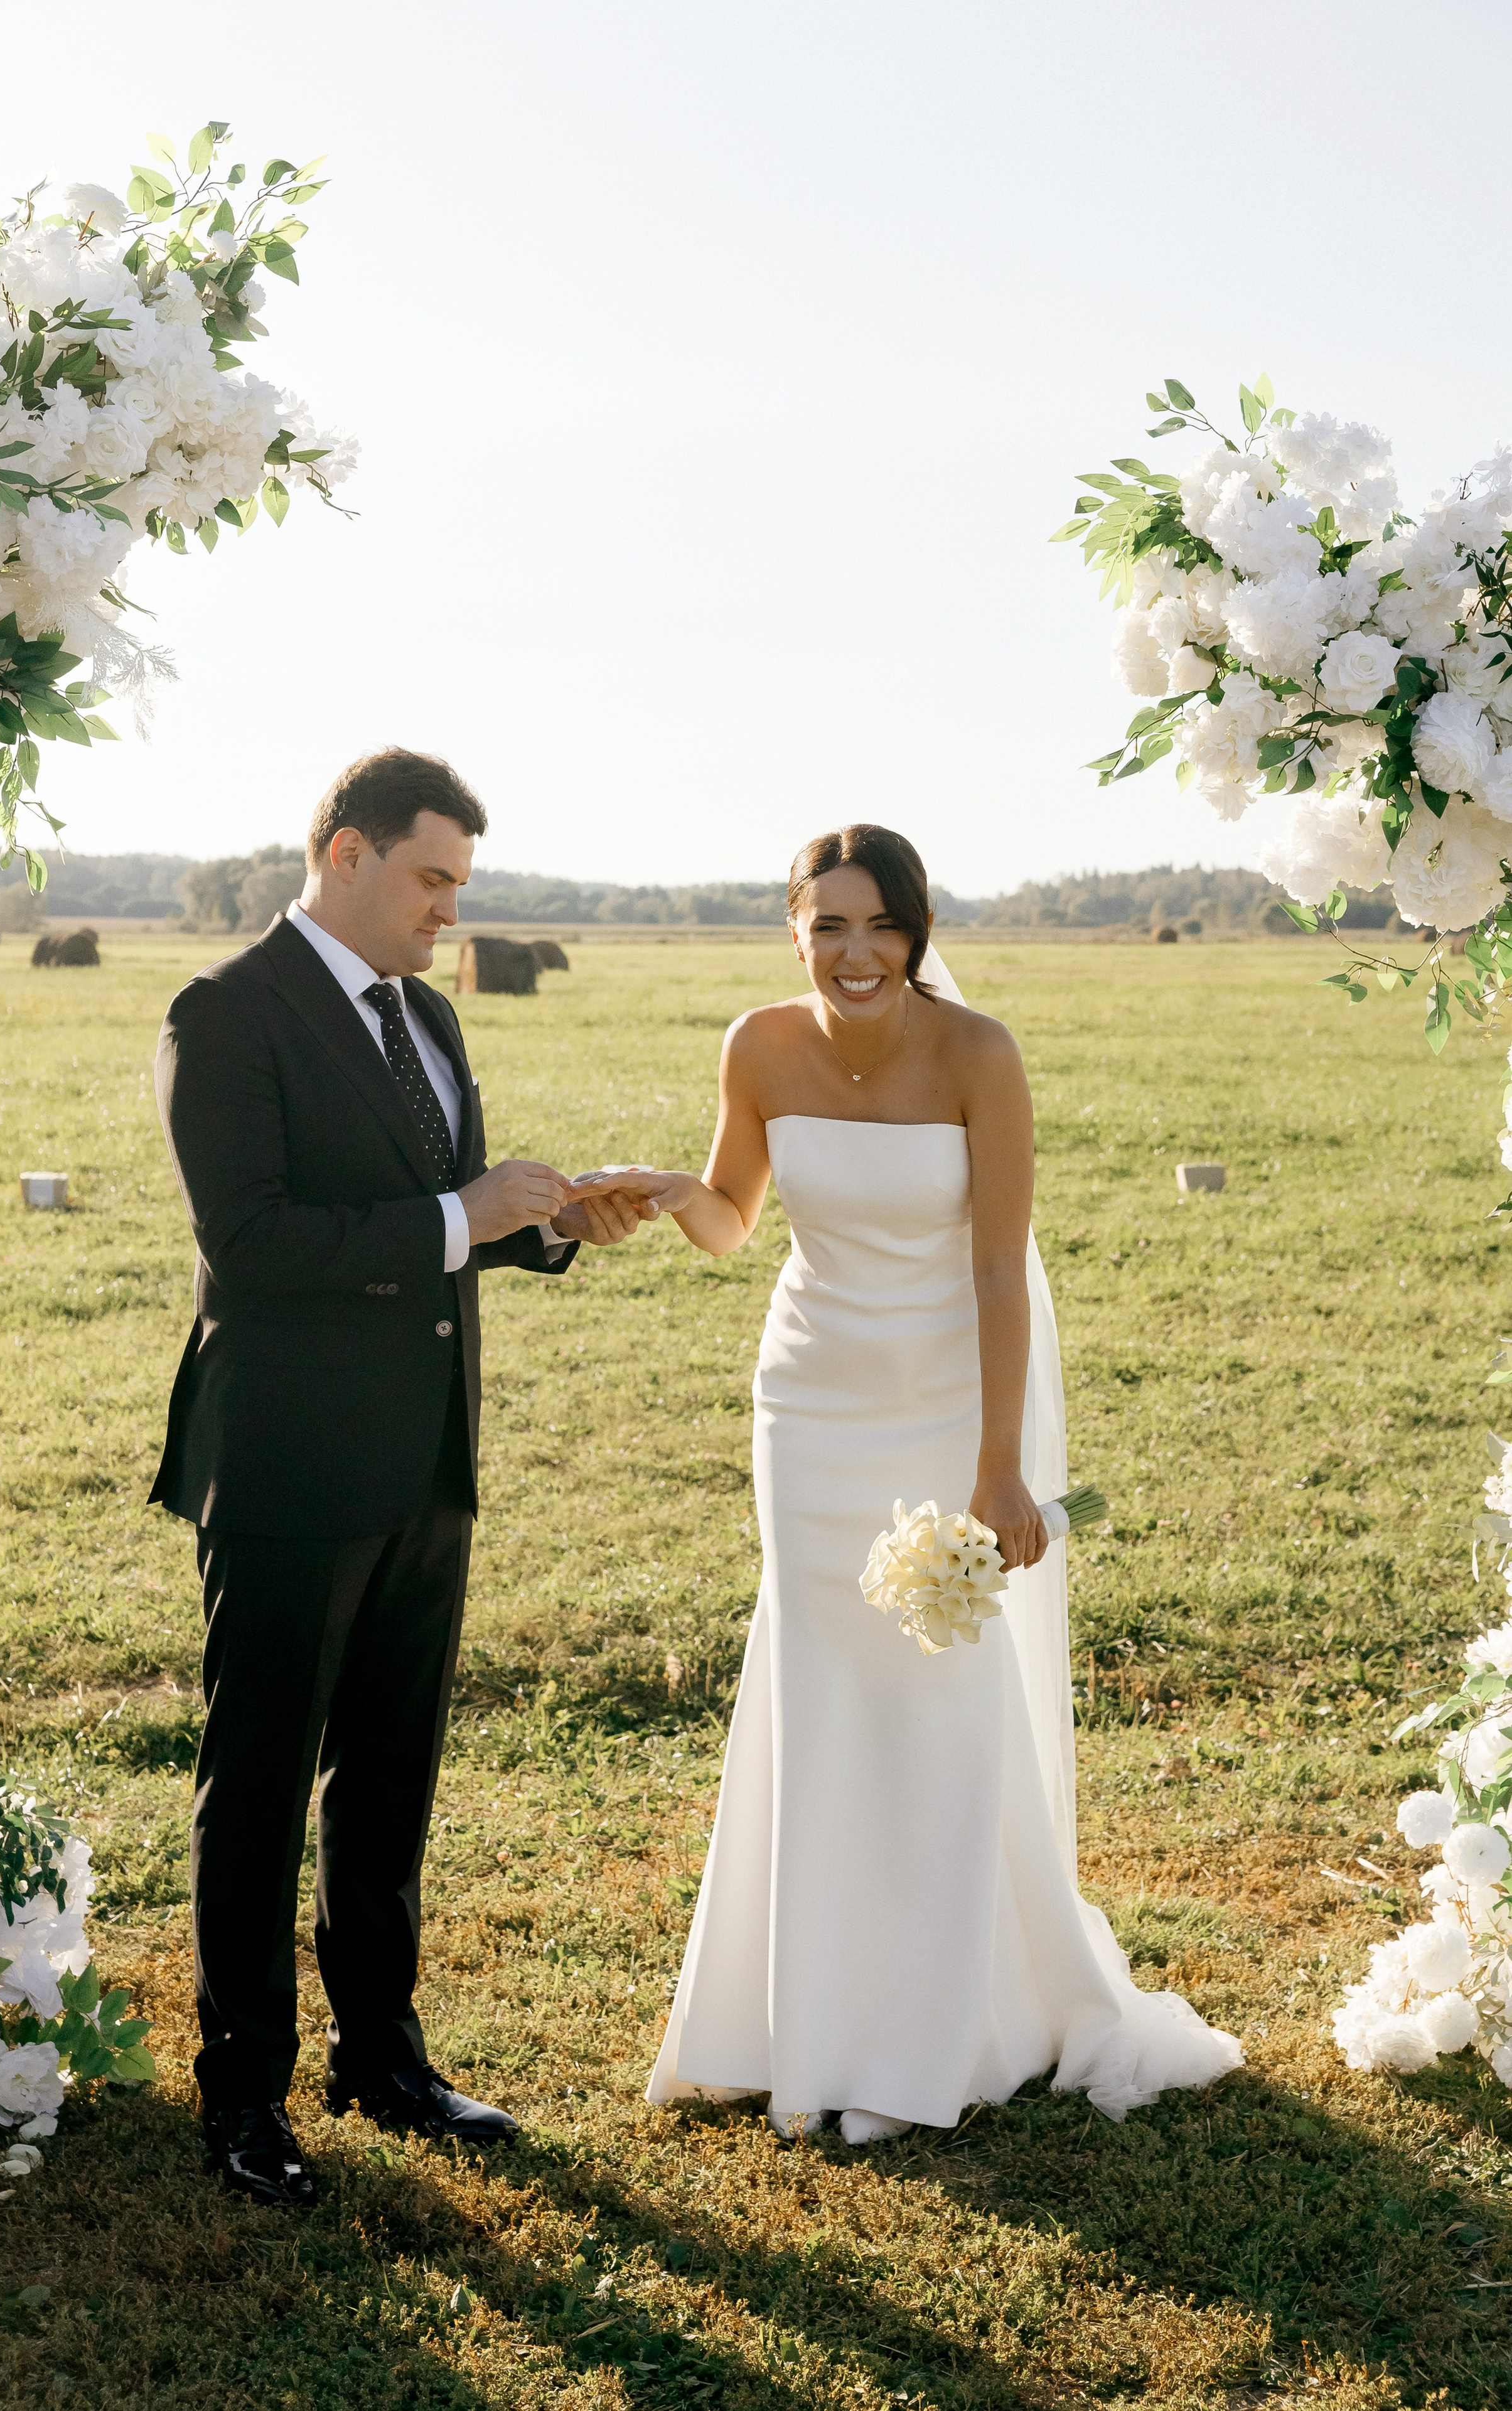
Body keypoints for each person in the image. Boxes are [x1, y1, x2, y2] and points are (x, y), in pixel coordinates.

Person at [609, 824, 1242, 2140]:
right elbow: (735, 1217)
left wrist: (997, 1468)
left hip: (946, 1401)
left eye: (877, 926)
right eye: (825, 924)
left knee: (938, 1693)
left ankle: (928, 2035)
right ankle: (796, 2022)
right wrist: (675, 1189)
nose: (853, 952)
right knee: (822, 1685)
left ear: (914, 931)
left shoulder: (977, 1054)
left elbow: (1000, 1269)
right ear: (792, 929)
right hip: (809, 1403)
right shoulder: (756, 1046)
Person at [151, 746, 650, 2206]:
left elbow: (454, 1222)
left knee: (387, 1780)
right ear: (346, 854)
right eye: (432, 878)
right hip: (292, 1460)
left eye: (460, 887)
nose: (448, 911)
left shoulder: (428, 1016)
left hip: (428, 1459)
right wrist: (458, 1212)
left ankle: (384, 2057)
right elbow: (253, 1241)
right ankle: (241, 2090)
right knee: (255, 1787)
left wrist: (555, 1224)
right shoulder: (224, 1012)